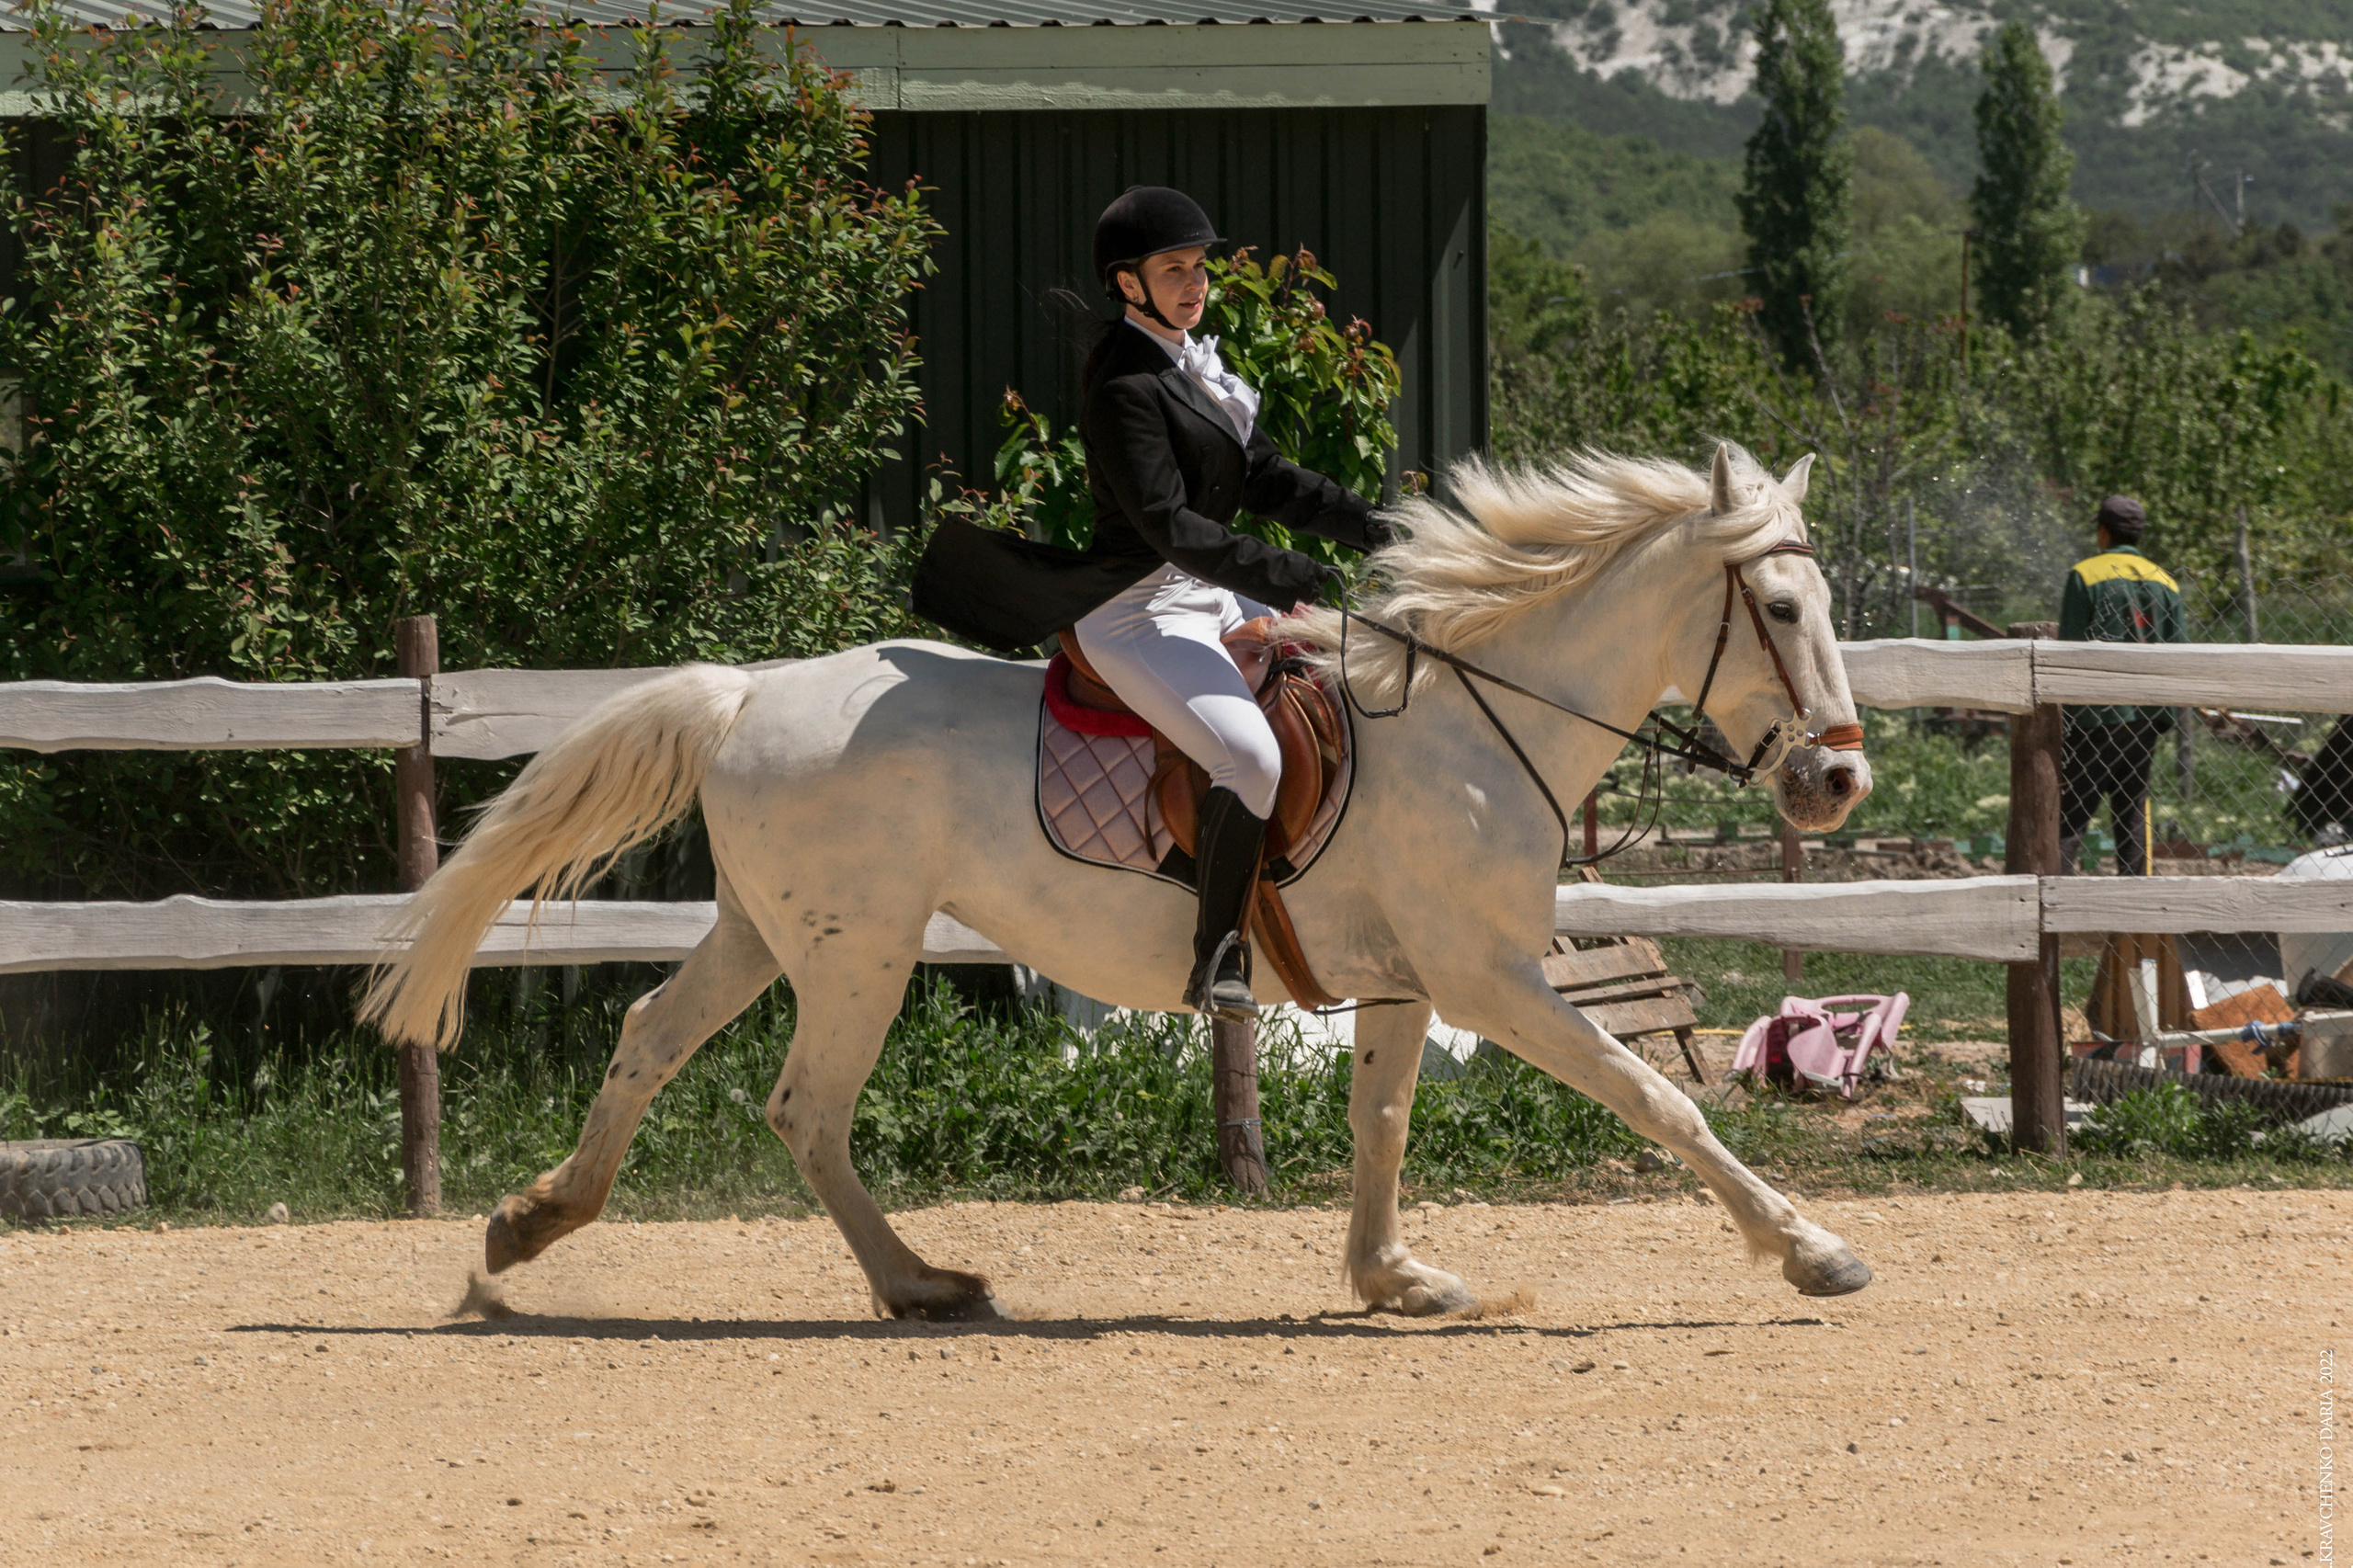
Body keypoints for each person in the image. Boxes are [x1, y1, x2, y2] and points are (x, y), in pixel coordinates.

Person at [909, 187, 1392, 1019]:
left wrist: (1379, 529)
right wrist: (1292, 575)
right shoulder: (1125, 389)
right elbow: (1168, 526)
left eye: (1198, 267)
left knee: (1343, 685)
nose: (1194, 282)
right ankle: (1219, 956)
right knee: (1251, 759)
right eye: (1174, 269)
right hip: (1138, 609)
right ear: (1128, 285)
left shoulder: (1196, 370)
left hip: (1206, 591)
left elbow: (1270, 480)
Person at [2056, 495, 2187, 875]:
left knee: (2072, 814)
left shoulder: (2085, 575)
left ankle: (2055, 900)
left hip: (2095, 717)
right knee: (2131, 811)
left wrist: (2067, 718)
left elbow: (2071, 650)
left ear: (2102, 531)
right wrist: (2165, 718)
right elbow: (2180, 654)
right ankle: (2133, 914)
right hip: (2145, 719)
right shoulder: (2166, 581)